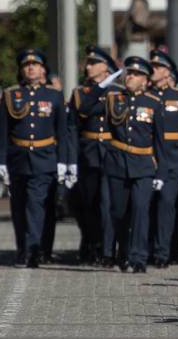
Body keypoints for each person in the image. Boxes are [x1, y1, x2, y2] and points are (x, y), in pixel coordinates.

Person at [0, 49, 69, 268]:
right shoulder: (11, 95)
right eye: (27, 65)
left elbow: (62, 132)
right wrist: (0, 161)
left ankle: (32, 251)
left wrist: (63, 161)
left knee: (35, 206)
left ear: (43, 69)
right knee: (18, 207)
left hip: (44, 158)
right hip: (18, 158)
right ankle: (22, 249)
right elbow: (2, 132)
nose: (31, 68)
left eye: (35, 64)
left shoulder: (54, 95)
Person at [109, 56, 166, 273]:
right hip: (117, 164)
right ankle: (123, 254)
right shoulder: (114, 99)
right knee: (120, 212)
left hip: (143, 165)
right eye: (128, 73)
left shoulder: (153, 103)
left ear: (144, 80)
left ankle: (139, 257)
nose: (129, 77)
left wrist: (161, 172)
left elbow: (160, 142)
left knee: (141, 211)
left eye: (135, 74)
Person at [68, 45, 120, 265]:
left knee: (108, 204)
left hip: (111, 151)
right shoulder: (80, 93)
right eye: (87, 63)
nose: (87, 67)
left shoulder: (118, 92)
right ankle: (91, 243)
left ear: (105, 67)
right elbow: (73, 126)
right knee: (89, 202)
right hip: (89, 152)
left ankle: (108, 250)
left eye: (93, 63)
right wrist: (71, 158)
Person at [148, 50, 178, 268]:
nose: (151, 71)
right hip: (149, 159)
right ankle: (147, 249)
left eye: (156, 68)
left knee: (167, 205)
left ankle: (163, 253)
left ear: (167, 72)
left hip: (174, 160)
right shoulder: (145, 96)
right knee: (148, 206)